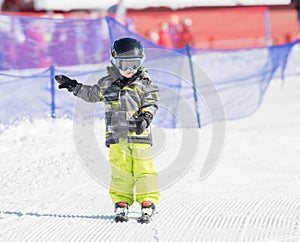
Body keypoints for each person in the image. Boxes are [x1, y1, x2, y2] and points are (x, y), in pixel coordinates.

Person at [55, 37, 160, 223]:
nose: (129, 70)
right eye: (124, 65)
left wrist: (145, 118)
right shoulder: (106, 83)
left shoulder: (145, 84)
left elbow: (151, 102)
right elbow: (92, 94)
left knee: (144, 170)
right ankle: (121, 202)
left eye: (134, 65)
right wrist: (75, 87)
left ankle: (147, 201)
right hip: (116, 137)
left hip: (139, 136)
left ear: (141, 62)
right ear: (114, 62)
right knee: (120, 171)